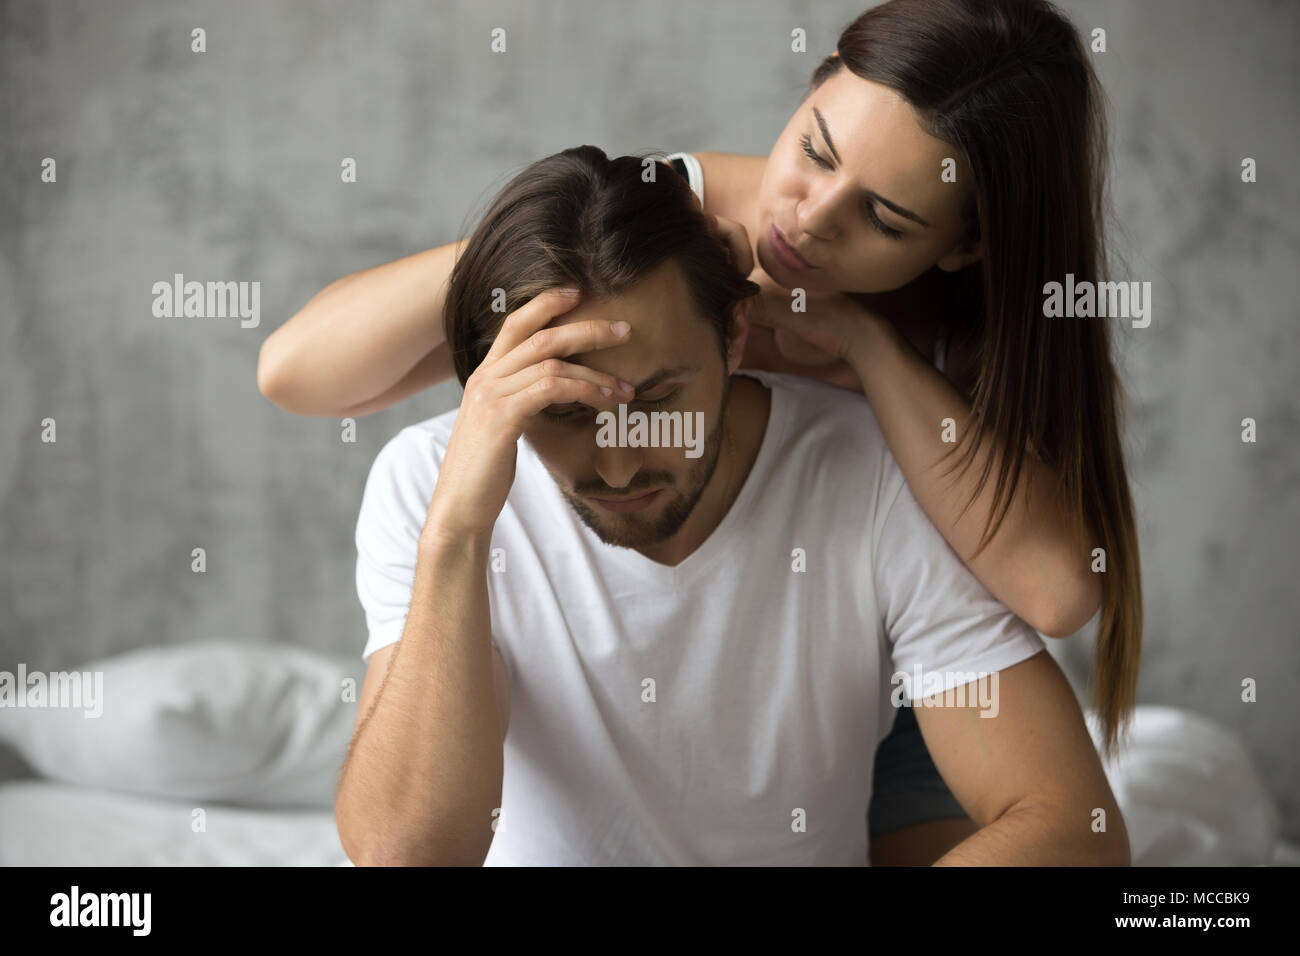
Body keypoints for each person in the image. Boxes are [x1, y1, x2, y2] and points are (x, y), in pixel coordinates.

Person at [265, 0, 1142, 865]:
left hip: (869, 637)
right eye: (813, 150)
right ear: (814, 86)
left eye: (883, 217)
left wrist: (869, 348)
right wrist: (552, 238)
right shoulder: (685, 207)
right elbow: (296, 373)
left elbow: (1061, 593)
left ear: (964, 247)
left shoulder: (959, 366)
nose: (805, 217)